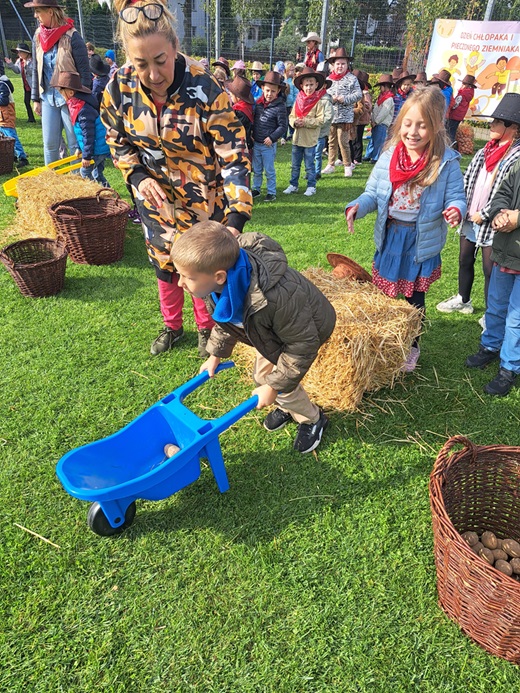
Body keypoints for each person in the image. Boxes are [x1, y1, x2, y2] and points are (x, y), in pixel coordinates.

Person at [102, 0, 252, 356]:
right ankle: (172, 327)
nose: (153, 74)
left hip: (204, 204)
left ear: (174, 48)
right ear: (128, 58)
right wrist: (137, 176)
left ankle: (207, 328)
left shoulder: (205, 87)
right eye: (141, 64)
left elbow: (234, 155)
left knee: (200, 270)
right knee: (165, 267)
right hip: (156, 205)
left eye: (160, 60)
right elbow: (115, 139)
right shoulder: (118, 88)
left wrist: (236, 217)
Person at [170, 221, 336, 453]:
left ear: (219, 276)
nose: (179, 283)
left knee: (277, 382)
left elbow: (302, 346)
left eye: (186, 277)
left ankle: (313, 419)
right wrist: (215, 354)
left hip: (305, 331)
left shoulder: (277, 297)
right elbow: (227, 319)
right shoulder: (218, 286)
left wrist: (275, 387)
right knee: (262, 377)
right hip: (269, 331)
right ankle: (287, 405)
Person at [345, 86, 466, 371]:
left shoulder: (446, 163)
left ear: (436, 127)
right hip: (391, 236)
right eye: (408, 124)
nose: (413, 132)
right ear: (400, 124)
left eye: (422, 126)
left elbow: (456, 197)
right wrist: (357, 207)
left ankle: (411, 346)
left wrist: (455, 210)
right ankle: (382, 341)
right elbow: (372, 194)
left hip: (419, 240)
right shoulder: (389, 156)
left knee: (414, 299)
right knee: (384, 294)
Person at [437, 94, 520, 324]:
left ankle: (491, 314)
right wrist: (460, 206)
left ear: (511, 127)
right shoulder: (486, 150)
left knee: (490, 269)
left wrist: (484, 215)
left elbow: (503, 193)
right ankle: (463, 299)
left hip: (493, 223)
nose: (491, 125)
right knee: (465, 259)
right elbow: (468, 179)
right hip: (470, 217)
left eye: (496, 122)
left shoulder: (516, 156)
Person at [465, 155, 520, 396]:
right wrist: (499, 213)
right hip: (506, 250)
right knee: (496, 305)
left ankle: (509, 366)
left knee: (517, 317)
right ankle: (490, 344)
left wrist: (517, 217)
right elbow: (503, 191)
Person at [26, 0, 90, 165]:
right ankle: (52, 185)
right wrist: (35, 99)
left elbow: (85, 73)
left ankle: (77, 186)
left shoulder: (72, 36)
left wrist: (82, 102)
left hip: (70, 99)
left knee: (75, 144)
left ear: (50, 12)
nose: (35, 16)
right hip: (47, 97)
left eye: (38, 11)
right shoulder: (37, 37)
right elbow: (35, 69)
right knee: (50, 145)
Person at [52, 70, 110, 186]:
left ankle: (98, 195)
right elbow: (82, 133)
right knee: (97, 174)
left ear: (71, 92)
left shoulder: (83, 109)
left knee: (85, 173)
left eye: (61, 92)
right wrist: (79, 147)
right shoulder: (77, 105)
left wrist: (87, 156)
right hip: (96, 147)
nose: (61, 95)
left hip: (97, 149)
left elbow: (88, 134)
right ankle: (107, 193)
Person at [284, 66, 325, 197]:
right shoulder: (298, 100)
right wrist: (294, 122)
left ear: (316, 85)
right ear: (301, 85)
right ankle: (293, 184)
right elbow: (291, 116)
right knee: (295, 165)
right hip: (297, 138)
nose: (309, 88)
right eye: (306, 85)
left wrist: (306, 122)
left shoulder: (318, 102)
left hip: (309, 140)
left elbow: (321, 120)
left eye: (311, 84)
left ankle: (311, 185)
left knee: (309, 165)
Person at [321, 48, 362, 177]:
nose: (340, 66)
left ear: (347, 65)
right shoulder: (329, 79)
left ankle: (347, 165)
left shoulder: (352, 79)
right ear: (333, 65)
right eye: (338, 64)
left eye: (343, 64)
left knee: (343, 141)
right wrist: (331, 99)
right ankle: (331, 164)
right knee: (331, 141)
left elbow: (358, 94)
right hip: (332, 116)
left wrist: (345, 99)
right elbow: (324, 95)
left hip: (345, 117)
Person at [251, 70, 287, 202]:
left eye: (273, 91)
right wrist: (252, 134)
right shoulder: (259, 104)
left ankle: (271, 192)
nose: (269, 94)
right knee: (257, 169)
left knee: (269, 170)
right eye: (267, 90)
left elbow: (283, 126)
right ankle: (256, 188)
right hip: (257, 143)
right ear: (262, 89)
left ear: (278, 91)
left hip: (268, 145)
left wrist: (272, 138)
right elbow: (255, 121)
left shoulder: (280, 106)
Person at [363, 74, 394, 164]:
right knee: (372, 139)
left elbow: (384, 112)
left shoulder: (389, 99)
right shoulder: (380, 97)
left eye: (381, 87)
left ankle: (376, 157)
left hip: (382, 123)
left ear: (385, 87)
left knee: (379, 141)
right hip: (375, 122)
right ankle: (368, 155)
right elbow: (376, 109)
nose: (380, 89)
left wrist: (376, 121)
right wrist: (372, 119)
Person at [0, 74, 29, 167]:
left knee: (12, 137)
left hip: (6, 116)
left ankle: (22, 157)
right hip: (1, 117)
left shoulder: (2, 85)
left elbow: (4, 101)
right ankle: (11, 156)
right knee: (4, 138)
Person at [4, 42, 36, 122]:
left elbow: (34, 72)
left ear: (26, 52)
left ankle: (44, 119)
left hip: (35, 86)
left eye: (20, 52)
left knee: (38, 102)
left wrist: (26, 66)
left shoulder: (33, 61)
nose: (19, 54)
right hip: (26, 86)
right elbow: (17, 71)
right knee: (26, 102)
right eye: (18, 52)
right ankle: (31, 118)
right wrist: (10, 64)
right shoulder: (19, 61)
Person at [226, 74, 254, 156]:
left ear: (237, 97)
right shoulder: (247, 108)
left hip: (240, 147)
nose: (231, 97)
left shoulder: (239, 112)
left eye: (231, 95)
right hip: (246, 144)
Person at [446, 74, 477, 144]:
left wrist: (450, 107)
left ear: (467, 85)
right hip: (460, 116)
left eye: (463, 84)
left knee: (449, 131)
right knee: (453, 130)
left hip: (454, 115)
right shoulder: (470, 93)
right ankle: (452, 144)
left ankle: (450, 144)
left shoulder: (462, 94)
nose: (461, 85)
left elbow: (455, 105)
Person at [350, 70, 371, 166]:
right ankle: (353, 156)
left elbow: (368, 106)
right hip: (356, 119)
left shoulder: (364, 94)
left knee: (358, 139)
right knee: (354, 139)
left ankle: (357, 158)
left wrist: (364, 106)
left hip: (361, 120)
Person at [314, 72, 333, 179]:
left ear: (325, 85)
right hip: (311, 132)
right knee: (310, 154)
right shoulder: (312, 97)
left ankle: (317, 172)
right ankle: (310, 172)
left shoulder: (326, 100)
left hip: (320, 132)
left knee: (317, 154)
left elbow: (329, 116)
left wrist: (319, 123)